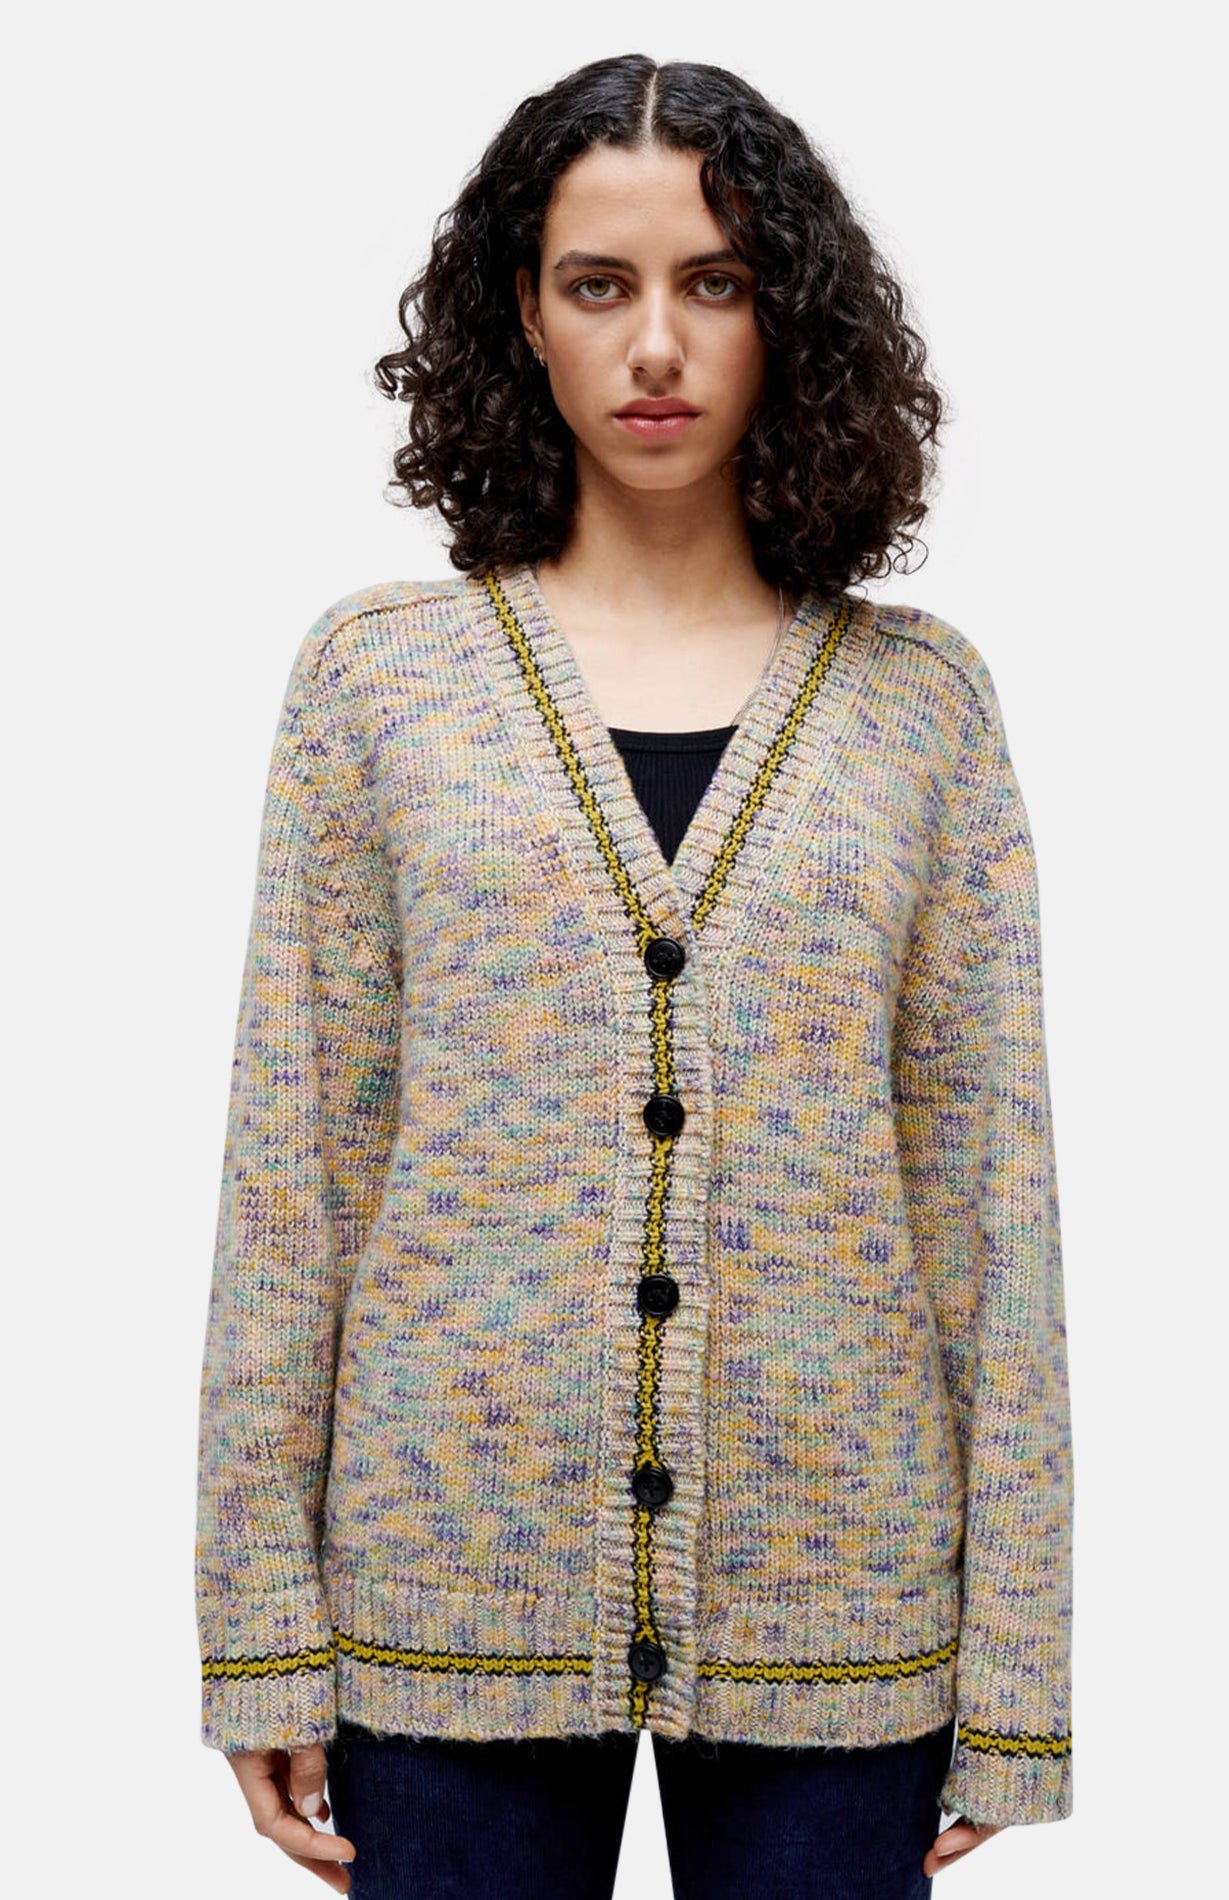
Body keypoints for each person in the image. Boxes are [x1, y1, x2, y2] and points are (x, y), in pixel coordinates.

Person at [194, 51, 1074, 1900]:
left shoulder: (920, 704)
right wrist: (260, 1629)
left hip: (841, 1609)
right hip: (445, 1598)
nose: (656, 344)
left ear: (787, 315)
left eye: (715, 282)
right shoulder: (379, 683)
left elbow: (989, 1208)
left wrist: (1018, 1678)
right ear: (524, 314)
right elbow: (296, 1180)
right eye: (599, 284)